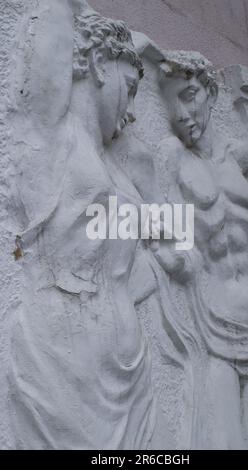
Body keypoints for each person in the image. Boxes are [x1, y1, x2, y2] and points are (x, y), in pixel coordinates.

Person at [9, 7, 172, 450]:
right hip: (62, 371)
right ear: (99, 65)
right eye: (131, 90)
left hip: (130, 375)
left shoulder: (118, 165)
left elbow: (175, 247)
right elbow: (51, 23)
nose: (134, 112)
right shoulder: (53, 137)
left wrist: (154, 185)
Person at [153, 50, 248, 449]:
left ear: (210, 91)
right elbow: (162, 231)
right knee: (222, 442)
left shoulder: (243, 156)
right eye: (172, 101)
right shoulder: (171, 158)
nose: (181, 112)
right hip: (214, 321)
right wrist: (175, 256)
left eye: (189, 95)